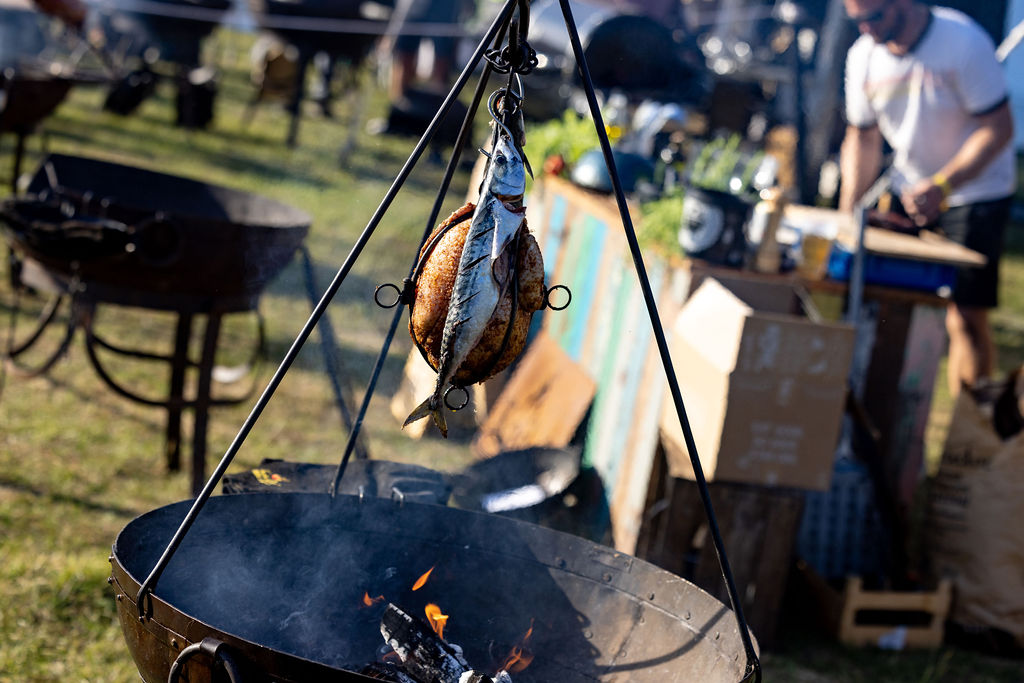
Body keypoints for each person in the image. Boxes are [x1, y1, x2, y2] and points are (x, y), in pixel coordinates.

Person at [839, 0, 1016, 397]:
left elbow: (999, 128)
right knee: (890, 304)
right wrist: (849, 215)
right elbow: (862, 138)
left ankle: (970, 426)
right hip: (911, 188)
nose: (865, 29)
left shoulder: (962, 41)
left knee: (965, 316)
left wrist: (944, 185)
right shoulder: (863, 57)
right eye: (857, 21)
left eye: (873, 17)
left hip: (974, 190)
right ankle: (884, 417)